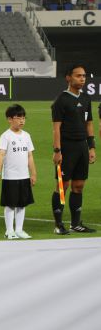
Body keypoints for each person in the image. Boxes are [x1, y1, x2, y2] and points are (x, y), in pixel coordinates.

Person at [51, 63, 96, 234]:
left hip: (82, 147)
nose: (82, 79)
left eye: (84, 76)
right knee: (63, 186)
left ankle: (75, 224)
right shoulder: (61, 101)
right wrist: (57, 151)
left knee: (79, 185)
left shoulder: (85, 99)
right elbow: (56, 128)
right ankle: (58, 225)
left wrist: (91, 147)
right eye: (78, 76)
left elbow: (89, 123)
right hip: (67, 147)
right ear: (68, 78)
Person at [0, 104, 36, 239]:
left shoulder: (27, 136)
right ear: (9, 119)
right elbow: (1, 154)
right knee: (10, 204)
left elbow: (30, 155)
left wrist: (33, 173)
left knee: (22, 204)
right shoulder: (5, 136)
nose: (22, 121)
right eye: (18, 117)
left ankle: (19, 229)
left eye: (24, 118)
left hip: (24, 176)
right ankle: (9, 230)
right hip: (10, 177)